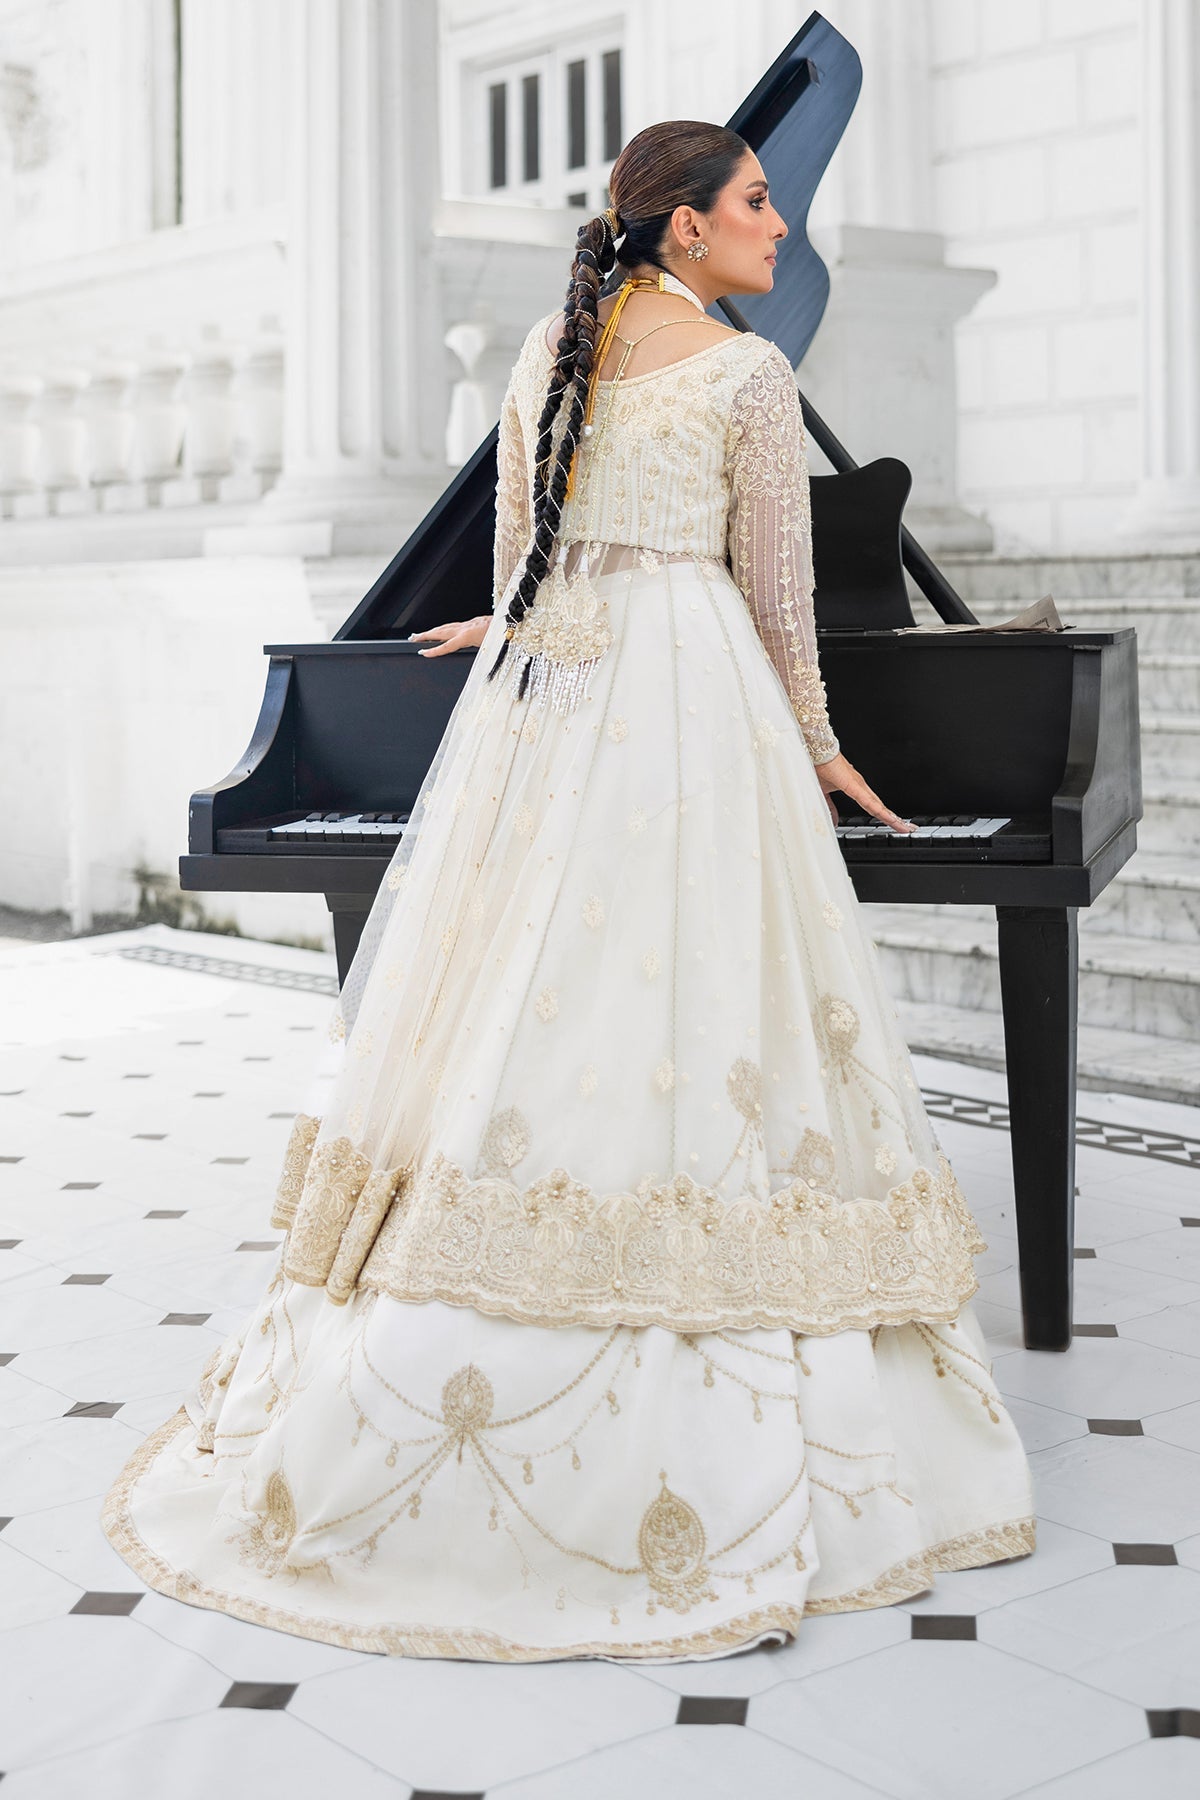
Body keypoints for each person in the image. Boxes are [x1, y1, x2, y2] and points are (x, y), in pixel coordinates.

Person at [101, 121, 1034, 1663]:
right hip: (695, 700)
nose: (779, 227)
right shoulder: (748, 377)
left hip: (559, 698)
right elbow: (778, 607)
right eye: (757, 203)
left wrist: (511, 627)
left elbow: (524, 553)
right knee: (707, 998)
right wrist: (823, 751)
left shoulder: (555, 344)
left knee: (529, 993)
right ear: (686, 228)